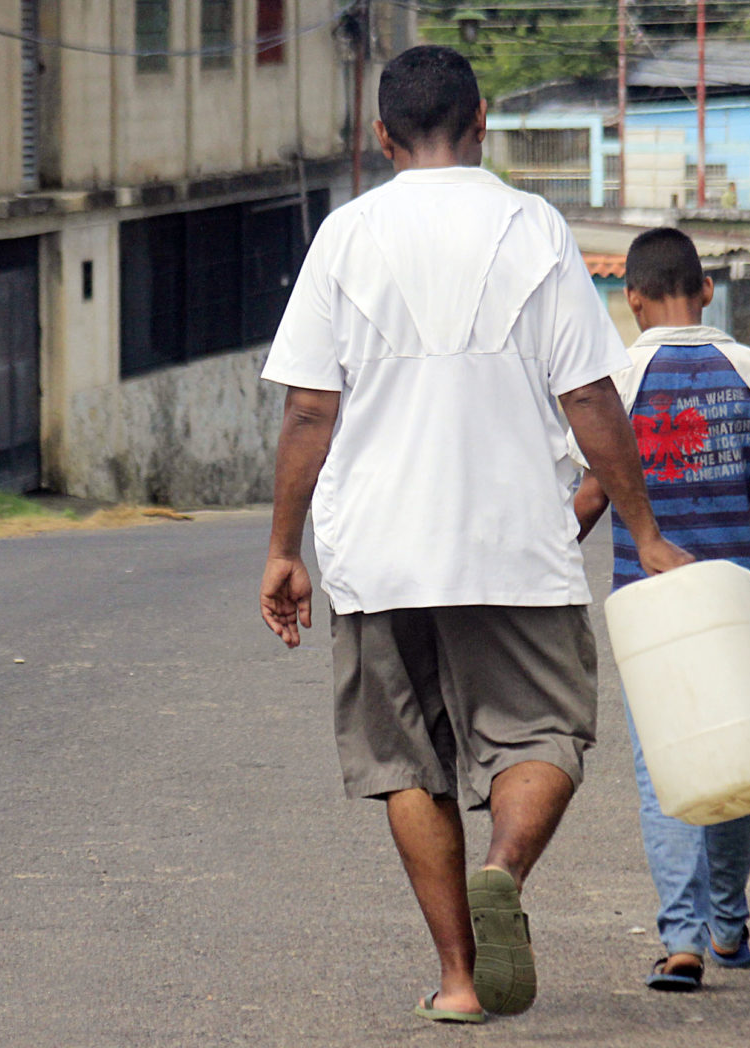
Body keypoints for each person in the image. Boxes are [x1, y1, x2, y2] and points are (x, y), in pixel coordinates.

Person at [258, 46, 691, 1024]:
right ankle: (504, 867)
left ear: (379, 136)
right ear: (481, 120)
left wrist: (284, 549)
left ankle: (458, 977)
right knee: (542, 730)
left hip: (377, 553)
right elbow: (588, 396)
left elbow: (305, 414)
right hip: (513, 543)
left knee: (404, 761)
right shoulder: (532, 227)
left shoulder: (345, 237)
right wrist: (643, 528)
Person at [569, 227, 750, 993]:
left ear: (631, 299)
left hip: (651, 613)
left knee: (663, 768)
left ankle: (681, 939)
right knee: (740, 755)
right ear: (707, 289)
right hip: (736, 602)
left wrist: (542, 561)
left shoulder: (617, 377)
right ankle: (729, 922)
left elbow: (590, 494)